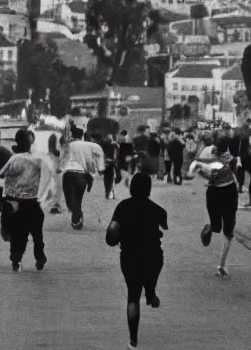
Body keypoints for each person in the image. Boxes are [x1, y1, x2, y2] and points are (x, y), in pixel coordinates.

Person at [106, 173, 167, 350]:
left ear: (132, 187)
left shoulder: (123, 207)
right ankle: (150, 291)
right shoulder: (157, 209)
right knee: (151, 273)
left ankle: (133, 340)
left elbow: (112, 232)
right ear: (148, 189)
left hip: (129, 256)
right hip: (153, 256)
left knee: (133, 296)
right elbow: (164, 224)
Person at [0, 128, 54, 272]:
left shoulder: (14, 159)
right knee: (37, 234)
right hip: (33, 202)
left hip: (15, 202)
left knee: (18, 233)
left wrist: (9, 187)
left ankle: (16, 259)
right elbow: (48, 180)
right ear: (30, 143)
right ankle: (40, 257)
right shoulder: (39, 159)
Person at [190, 148, 238, 276]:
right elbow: (236, 182)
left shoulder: (207, 162)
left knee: (220, 228)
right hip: (228, 194)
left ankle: (211, 228)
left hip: (214, 194)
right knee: (227, 231)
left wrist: (200, 169)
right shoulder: (230, 163)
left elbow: (193, 171)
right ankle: (221, 266)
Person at [60, 125, 105, 230]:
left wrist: (59, 168)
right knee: (78, 198)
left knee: (70, 201)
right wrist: (99, 168)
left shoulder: (68, 145)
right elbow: (99, 154)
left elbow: (62, 159)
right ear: (82, 135)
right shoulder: (92, 146)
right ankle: (77, 218)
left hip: (69, 174)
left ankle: (77, 216)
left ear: (72, 135)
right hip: (82, 175)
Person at [46, 133, 63, 213]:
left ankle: (53, 204)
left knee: (53, 188)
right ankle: (56, 205)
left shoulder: (48, 152)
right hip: (57, 170)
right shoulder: (58, 152)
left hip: (51, 171)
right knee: (58, 188)